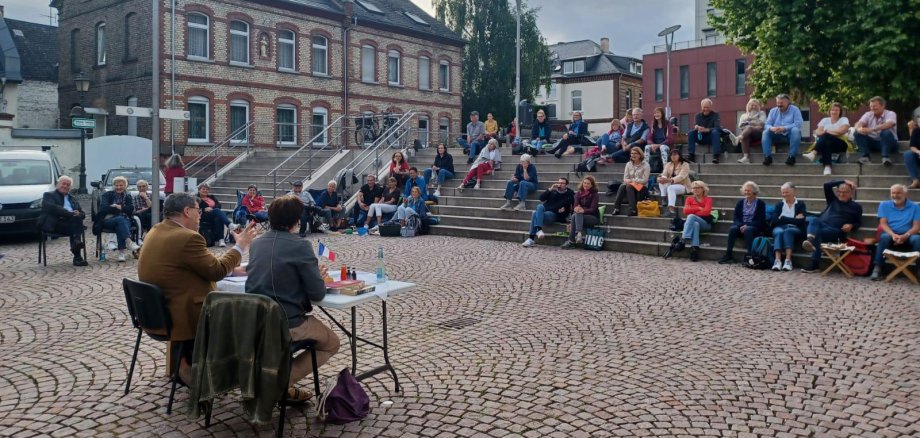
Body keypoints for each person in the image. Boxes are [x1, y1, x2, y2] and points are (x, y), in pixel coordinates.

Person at [138, 192, 258, 387]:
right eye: (198, 210)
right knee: (251, 314)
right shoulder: (187, 238)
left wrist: (231, 270)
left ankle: (187, 363)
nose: (200, 215)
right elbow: (216, 271)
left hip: (157, 311)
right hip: (183, 314)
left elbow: (195, 266)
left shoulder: (157, 230)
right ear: (187, 211)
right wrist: (240, 246)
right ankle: (244, 375)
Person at [245, 195, 340, 402]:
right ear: (296, 220)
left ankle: (275, 382)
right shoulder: (300, 245)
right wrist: (320, 278)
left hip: (255, 320)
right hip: (287, 321)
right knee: (332, 343)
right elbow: (317, 293)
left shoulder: (256, 244)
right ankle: (280, 383)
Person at [801, 180, 863, 273]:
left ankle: (813, 258)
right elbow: (827, 185)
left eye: (845, 192)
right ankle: (810, 242)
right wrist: (844, 180)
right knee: (814, 220)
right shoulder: (832, 200)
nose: (841, 194)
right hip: (823, 226)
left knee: (816, 232)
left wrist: (851, 225)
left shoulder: (856, 207)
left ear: (851, 193)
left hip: (837, 231)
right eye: (840, 192)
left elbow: (858, 223)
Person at [870, 184, 920, 280]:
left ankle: (919, 269)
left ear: (906, 194)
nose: (895, 195)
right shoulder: (884, 205)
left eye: (898, 193)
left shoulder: (915, 207)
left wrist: (905, 235)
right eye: (893, 193)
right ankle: (877, 268)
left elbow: (916, 227)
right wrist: (893, 235)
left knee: (918, 239)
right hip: (891, 234)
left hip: (909, 235)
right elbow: (883, 224)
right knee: (884, 237)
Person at [37, 175, 88, 266]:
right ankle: (77, 256)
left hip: (71, 224)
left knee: (76, 220)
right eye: (63, 184)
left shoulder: (73, 199)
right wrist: (70, 213)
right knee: (76, 224)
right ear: (57, 184)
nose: (65, 186)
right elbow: (53, 208)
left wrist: (78, 214)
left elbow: (83, 213)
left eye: (68, 185)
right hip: (55, 224)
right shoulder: (49, 195)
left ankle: (76, 246)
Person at [718, 181, 767, 264]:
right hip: (741, 225)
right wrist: (741, 225)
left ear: (754, 191)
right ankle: (728, 254)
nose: (747, 192)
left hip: (754, 226)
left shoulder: (760, 203)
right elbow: (736, 217)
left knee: (748, 230)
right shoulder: (740, 202)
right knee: (733, 229)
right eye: (745, 190)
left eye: (749, 190)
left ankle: (750, 255)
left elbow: (760, 220)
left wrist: (747, 225)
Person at [522, 177, 574, 247]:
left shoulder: (569, 194)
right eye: (559, 182)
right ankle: (539, 230)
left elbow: (570, 208)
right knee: (539, 207)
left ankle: (531, 238)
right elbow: (541, 198)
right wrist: (550, 189)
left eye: (562, 183)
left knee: (534, 213)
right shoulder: (553, 191)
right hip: (544, 211)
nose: (560, 184)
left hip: (553, 214)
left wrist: (565, 214)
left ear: (566, 185)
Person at [98, 175, 141, 262]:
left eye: (121, 185)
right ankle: (128, 242)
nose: (118, 187)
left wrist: (119, 207)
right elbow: (103, 208)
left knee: (121, 223)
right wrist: (118, 209)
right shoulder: (107, 195)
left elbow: (130, 209)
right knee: (121, 219)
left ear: (125, 186)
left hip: (123, 221)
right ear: (113, 186)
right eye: (116, 185)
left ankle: (122, 254)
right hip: (108, 220)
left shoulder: (128, 196)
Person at [804, 102, 851, 176]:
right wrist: (833, 132)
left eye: (836, 110)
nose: (834, 112)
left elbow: (842, 131)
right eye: (832, 110)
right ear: (829, 111)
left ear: (840, 111)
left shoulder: (843, 119)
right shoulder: (825, 120)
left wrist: (828, 131)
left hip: (840, 143)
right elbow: (818, 132)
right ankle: (827, 167)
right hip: (826, 143)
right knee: (826, 143)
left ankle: (814, 152)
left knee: (826, 135)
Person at [769, 182, 807, 271]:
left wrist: (783, 218)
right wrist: (794, 219)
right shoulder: (779, 205)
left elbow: (801, 221)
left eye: (787, 192)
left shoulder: (800, 204)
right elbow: (775, 220)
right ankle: (777, 260)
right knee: (779, 232)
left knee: (788, 231)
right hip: (779, 227)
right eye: (783, 193)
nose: (784, 195)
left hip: (795, 229)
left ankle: (788, 260)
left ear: (793, 192)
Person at [854, 96, 898, 166]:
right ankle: (865, 157)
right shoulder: (868, 114)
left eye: (874, 106)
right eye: (871, 106)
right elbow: (858, 123)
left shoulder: (890, 113)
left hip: (890, 144)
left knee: (886, 132)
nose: (872, 108)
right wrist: (859, 129)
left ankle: (885, 157)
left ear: (883, 106)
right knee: (857, 133)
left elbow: (890, 124)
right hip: (873, 143)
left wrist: (872, 129)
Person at [761, 93, 803, 166]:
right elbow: (767, 124)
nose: (779, 105)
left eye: (781, 103)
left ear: (788, 103)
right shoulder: (773, 111)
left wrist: (784, 128)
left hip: (790, 135)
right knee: (766, 132)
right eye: (777, 103)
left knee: (796, 130)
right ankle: (767, 157)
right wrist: (772, 128)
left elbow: (798, 123)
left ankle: (791, 157)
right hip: (776, 135)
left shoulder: (795, 109)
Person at [561, 175, 599, 249]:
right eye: (584, 183)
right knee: (576, 214)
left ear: (592, 185)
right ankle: (578, 234)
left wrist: (583, 210)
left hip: (593, 217)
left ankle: (572, 240)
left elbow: (593, 209)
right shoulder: (578, 193)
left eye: (588, 183)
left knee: (576, 215)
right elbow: (575, 206)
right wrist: (576, 209)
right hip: (579, 216)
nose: (586, 185)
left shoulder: (595, 194)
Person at [679, 181, 714, 262]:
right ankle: (694, 249)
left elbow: (706, 212)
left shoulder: (708, 199)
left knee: (691, 216)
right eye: (694, 188)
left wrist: (692, 212)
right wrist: (698, 208)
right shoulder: (689, 199)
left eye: (698, 188)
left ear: (703, 189)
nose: (696, 189)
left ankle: (684, 239)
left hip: (705, 224)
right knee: (695, 224)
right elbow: (685, 211)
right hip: (694, 223)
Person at [611, 147, 650, 217]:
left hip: (642, 187)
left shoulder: (646, 165)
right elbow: (625, 178)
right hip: (630, 186)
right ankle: (616, 208)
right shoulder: (628, 164)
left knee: (629, 185)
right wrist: (629, 181)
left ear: (640, 155)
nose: (633, 155)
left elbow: (644, 180)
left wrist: (632, 181)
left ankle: (633, 209)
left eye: (635, 153)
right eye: (632, 153)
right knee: (623, 186)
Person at [197, 182, 237, 247]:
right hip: (204, 216)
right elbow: (195, 208)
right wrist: (204, 209)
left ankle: (221, 240)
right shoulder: (197, 198)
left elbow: (219, 205)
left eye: (207, 189)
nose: (205, 190)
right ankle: (229, 225)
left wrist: (211, 208)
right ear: (199, 190)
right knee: (218, 212)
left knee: (218, 217)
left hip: (213, 214)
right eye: (203, 189)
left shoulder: (211, 197)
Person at [687, 99, 723, 164]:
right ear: (701, 107)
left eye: (707, 107)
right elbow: (695, 125)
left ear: (710, 107)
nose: (706, 109)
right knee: (691, 133)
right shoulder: (697, 116)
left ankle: (716, 156)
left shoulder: (715, 115)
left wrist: (706, 130)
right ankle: (691, 155)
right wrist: (696, 127)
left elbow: (718, 128)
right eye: (704, 107)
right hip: (700, 137)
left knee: (715, 132)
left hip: (711, 138)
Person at [658, 149, 691, 217]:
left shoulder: (685, 164)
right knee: (662, 179)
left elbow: (681, 176)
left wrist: (669, 180)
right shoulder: (668, 164)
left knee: (670, 188)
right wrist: (660, 178)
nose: (673, 156)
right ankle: (663, 198)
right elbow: (664, 173)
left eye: (675, 154)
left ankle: (671, 210)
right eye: (672, 155)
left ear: (679, 155)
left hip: (683, 185)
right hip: (672, 184)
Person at [736, 99, 767, 164]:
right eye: (752, 105)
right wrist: (754, 122)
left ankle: (738, 138)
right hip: (748, 133)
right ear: (748, 106)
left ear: (758, 106)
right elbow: (741, 126)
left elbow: (761, 123)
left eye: (756, 105)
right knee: (746, 134)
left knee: (749, 128)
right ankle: (746, 158)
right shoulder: (743, 115)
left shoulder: (762, 113)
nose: (754, 107)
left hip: (759, 133)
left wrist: (748, 122)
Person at [905, 112, 920, 189]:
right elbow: (912, 146)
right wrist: (918, 152)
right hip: (918, 155)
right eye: (919, 122)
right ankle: (915, 180)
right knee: (908, 154)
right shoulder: (916, 131)